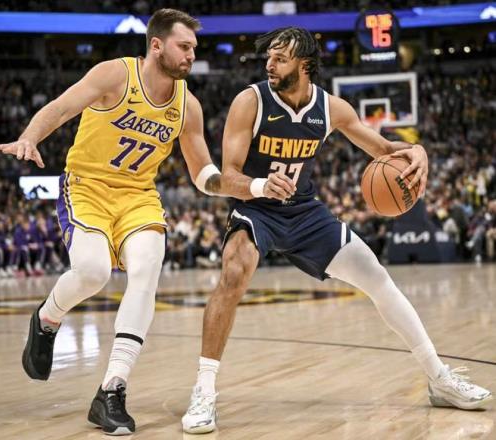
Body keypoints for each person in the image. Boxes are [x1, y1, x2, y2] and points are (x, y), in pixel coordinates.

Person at [181, 27, 492, 434]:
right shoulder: (250, 101)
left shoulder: (331, 109)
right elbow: (228, 176)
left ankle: (438, 378)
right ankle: (204, 390)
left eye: (280, 58)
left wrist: (418, 151)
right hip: (257, 208)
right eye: (268, 57)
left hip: (305, 213)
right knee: (234, 273)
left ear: (305, 65)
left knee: (377, 277)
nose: (269, 64)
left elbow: (384, 151)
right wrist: (260, 186)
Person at [0, 9, 223, 436]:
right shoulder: (115, 75)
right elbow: (60, 108)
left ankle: (112, 390)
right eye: (184, 46)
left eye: (194, 47)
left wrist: (241, 185)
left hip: (138, 197)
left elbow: (202, 171)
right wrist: (29, 137)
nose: (192, 55)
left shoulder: (187, 105)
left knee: (147, 270)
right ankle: (47, 317)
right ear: (156, 45)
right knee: (93, 272)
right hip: (87, 187)